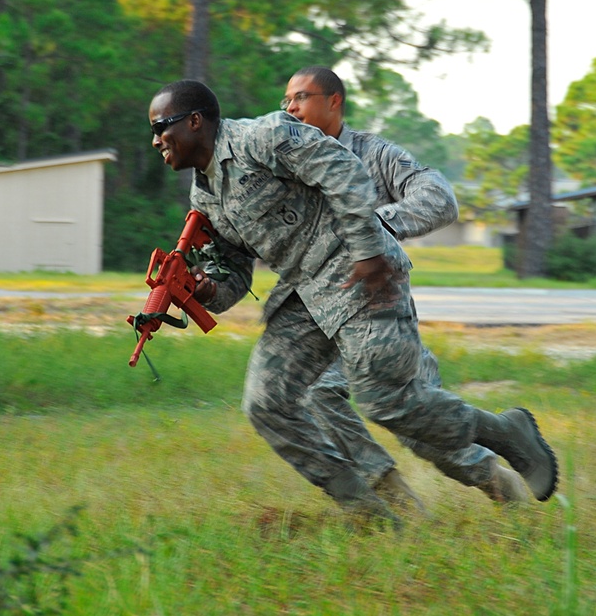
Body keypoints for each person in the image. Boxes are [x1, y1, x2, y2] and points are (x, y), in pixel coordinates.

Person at [146, 78, 558, 526]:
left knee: (388, 403)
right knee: (267, 404)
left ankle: (506, 434)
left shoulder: (260, 137)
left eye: (160, 127)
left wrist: (367, 249)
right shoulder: (204, 194)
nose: (155, 141)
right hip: (303, 295)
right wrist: (205, 290)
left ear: (194, 121)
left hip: (359, 275)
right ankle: (372, 513)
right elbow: (234, 273)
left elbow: (343, 167)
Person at [282, 66, 528, 506]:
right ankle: (390, 495)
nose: (291, 109)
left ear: (334, 101)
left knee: (417, 423)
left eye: (301, 98)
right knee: (315, 391)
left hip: (378, 309)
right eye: (287, 101)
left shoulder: (374, 155)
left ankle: (500, 481)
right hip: (315, 312)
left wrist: (371, 228)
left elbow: (440, 198)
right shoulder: (283, 161)